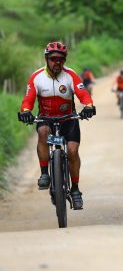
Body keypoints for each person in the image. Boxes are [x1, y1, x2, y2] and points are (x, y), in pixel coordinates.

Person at [18, 42, 96, 210]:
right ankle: (45, 173)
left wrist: (88, 106)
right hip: (46, 118)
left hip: (68, 119)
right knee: (43, 132)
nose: (57, 62)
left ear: (64, 60)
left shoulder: (71, 75)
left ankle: (75, 190)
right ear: (47, 59)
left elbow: (83, 93)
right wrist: (25, 111)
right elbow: (28, 99)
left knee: (73, 151)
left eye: (61, 59)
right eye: (53, 59)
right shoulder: (37, 77)